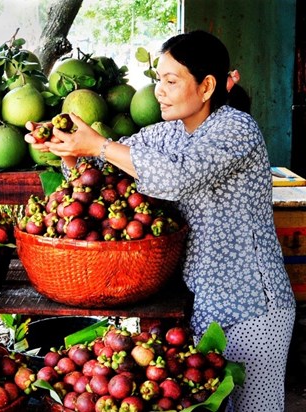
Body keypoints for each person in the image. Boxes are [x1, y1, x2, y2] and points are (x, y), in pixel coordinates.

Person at [26, 30, 296, 412]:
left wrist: (98, 144)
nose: (159, 91)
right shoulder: (166, 134)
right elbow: (102, 173)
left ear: (206, 86)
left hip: (253, 308)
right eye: (158, 80)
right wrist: (65, 149)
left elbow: (175, 178)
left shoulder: (236, 129)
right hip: (202, 303)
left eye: (171, 81)